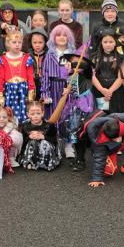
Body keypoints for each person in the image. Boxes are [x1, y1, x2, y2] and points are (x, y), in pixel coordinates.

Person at [73, 110, 124, 187]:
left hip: (115, 141)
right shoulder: (99, 141)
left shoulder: (115, 117)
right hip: (106, 147)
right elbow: (99, 160)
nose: (119, 138)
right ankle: (105, 155)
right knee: (110, 171)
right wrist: (97, 179)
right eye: (117, 138)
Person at [40, 25, 77, 158]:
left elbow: (78, 74)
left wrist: (72, 87)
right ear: (53, 38)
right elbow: (44, 76)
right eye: (58, 35)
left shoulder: (73, 54)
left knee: (69, 118)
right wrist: (45, 94)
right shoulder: (49, 55)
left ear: (69, 38)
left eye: (64, 35)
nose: (61, 37)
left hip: (68, 89)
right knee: (53, 116)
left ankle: (68, 145)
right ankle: (53, 144)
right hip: (53, 88)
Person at [0, 31, 36, 126]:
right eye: (14, 42)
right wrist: (0, 94)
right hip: (9, 92)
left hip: (23, 91)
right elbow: (0, 78)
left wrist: (31, 91)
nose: (17, 45)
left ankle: (24, 134)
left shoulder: (26, 58)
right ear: (8, 43)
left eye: (19, 42)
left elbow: (30, 77)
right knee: (10, 115)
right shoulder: (3, 59)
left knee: (25, 115)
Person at [91, 29, 124, 113]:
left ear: (115, 43)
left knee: (116, 118)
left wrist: (109, 92)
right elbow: (92, 76)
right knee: (100, 117)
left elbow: (121, 78)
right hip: (99, 91)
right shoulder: (95, 57)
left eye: (111, 42)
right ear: (101, 43)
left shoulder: (120, 57)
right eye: (105, 42)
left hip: (116, 92)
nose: (108, 44)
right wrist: (102, 90)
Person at [18, 101, 60, 171]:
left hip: (46, 150)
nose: (35, 116)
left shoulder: (49, 125)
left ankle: (45, 163)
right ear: (28, 114)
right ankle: (30, 161)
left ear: (43, 113)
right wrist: (28, 138)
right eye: (32, 114)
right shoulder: (24, 126)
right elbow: (22, 144)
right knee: (32, 142)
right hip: (31, 150)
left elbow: (55, 141)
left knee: (44, 143)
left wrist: (44, 137)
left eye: (38, 113)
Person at [28, 28, 48, 102]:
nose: (37, 45)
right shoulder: (28, 56)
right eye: (35, 42)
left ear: (45, 42)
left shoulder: (48, 56)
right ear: (31, 43)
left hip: (45, 83)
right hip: (32, 84)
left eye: (40, 42)